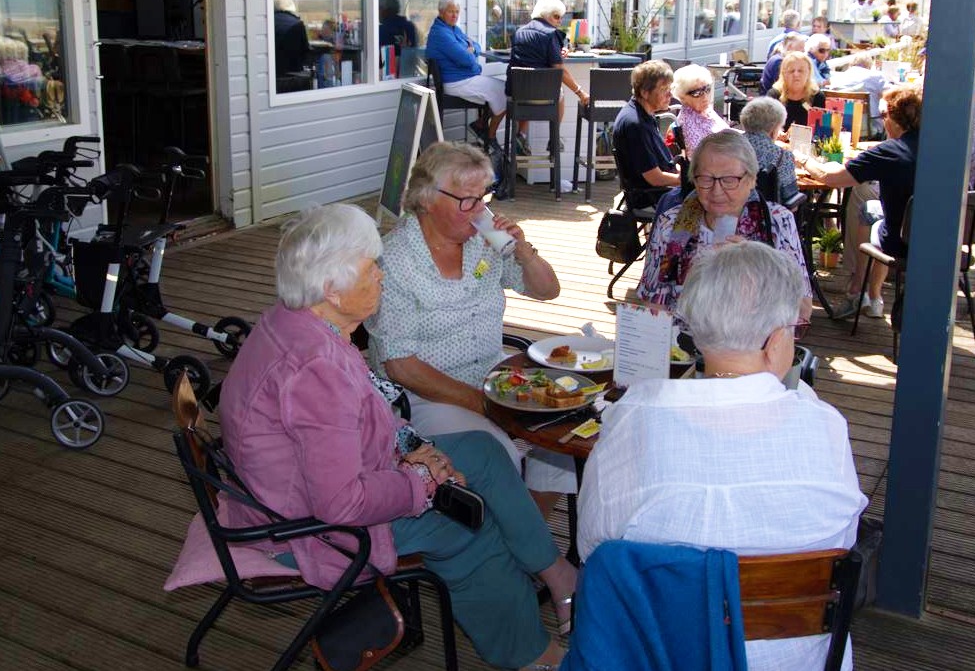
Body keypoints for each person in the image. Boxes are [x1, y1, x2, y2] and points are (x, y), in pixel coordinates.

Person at [217, 203, 577, 671]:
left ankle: (556, 572)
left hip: (306, 486)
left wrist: (413, 447)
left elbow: (364, 416)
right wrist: (420, 483)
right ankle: (533, 657)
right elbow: (340, 504)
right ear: (333, 289)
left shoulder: (297, 324)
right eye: (371, 268)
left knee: (483, 453)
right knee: (469, 524)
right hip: (309, 528)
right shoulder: (315, 369)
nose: (382, 276)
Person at [579, 240, 867, 671]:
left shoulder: (634, 415)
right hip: (796, 658)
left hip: (661, 653)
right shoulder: (822, 423)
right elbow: (841, 543)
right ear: (776, 340)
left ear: (696, 329)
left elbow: (591, 548)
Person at [367, 142, 576, 517]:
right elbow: (399, 365)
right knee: (501, 454)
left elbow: (548, 290)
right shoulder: (395, 260)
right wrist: (483, 405)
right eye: (468, 200)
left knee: (562, 432)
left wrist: (524, 252)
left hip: (491, 374)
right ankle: (519, 540)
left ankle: (528, 531)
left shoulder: (485, 242)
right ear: (427, 199)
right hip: (424, 395)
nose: (481, 210)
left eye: (484, 197)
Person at [636, 130, 811, 320]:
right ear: (693, 179)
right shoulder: (671, 224)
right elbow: (652, 306)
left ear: (751, 180)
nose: (716, 191)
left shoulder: (777, 222)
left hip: (752, 345)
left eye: (729, 180)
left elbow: (802, 311)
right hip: (681, 341)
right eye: (706, 179)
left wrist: (757, 269)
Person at [800, 85, 922, 320]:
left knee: (870, 211)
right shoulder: (938, 147)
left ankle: (857, 289)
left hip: (900, 241)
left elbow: (831, 179)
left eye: (883, 115)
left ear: (893, 119)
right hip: (939, 240)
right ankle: (874, 296)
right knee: (871, 207)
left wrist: (803, 159)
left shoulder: (888, 152)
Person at [508, 0, 589, 153]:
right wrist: (581, 92)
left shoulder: (519, 32)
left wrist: (557, 53)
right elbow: (559, 70)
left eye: (561, 17)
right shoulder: (551, 34)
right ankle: (554, 138)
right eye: (556, 16)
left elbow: (533, 57)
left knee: (532, 84)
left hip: (517, 94)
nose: (559, 21)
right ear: (545, 15)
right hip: (541, 96)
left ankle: (521, 136)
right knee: (559, 91)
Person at [427, 0, 507, 144]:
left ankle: (481, 124)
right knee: (506, 91)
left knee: (504, 88)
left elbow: (475, 45)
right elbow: (466, 59)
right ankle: (489, 138)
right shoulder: (441, 33)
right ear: (441, 12)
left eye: (457, 11)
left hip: (465, 79)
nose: (455, 15)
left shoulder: (452, 29)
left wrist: (470, 50)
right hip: (457, 83)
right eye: (451, 11)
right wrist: (469, 54)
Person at [612, 60, 681, 210]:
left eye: (670, 88)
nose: (670, 94)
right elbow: (655, 178)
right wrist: (688, 181)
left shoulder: (644, 115)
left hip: (659, 191)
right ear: (644, 92)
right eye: (664, 89)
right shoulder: (635, 124)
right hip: (650, 197)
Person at [740, 97, 800, 204]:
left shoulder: (729, 147)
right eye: (780, 127)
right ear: (773, 129)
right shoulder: (782, 156)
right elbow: (790, 197)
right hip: (765, 216)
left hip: (725, 212)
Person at [671, 64, 729, 153]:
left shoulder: (706, 110)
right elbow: (699, 156)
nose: (705, 97)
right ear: (682, 96)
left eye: (707, 89)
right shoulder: (687, 122)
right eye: (697, 93)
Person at [768, 53, 825, 132]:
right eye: (791, 71)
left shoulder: (817, 97)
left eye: (800, 71)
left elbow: (820, 130)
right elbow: (767, 126)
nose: (796, 74)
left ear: (808, 73)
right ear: (784, 73)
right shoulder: (774, 95)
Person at [273, 0, 311, 91]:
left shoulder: (268, 22)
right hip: (292, 75)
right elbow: (305, 50)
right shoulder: (297, 24)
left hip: (273, 75)